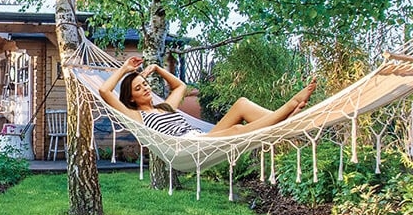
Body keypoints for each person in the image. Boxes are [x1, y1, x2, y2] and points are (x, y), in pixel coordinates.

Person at [98, 56, 317, 138]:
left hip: (202, 137)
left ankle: (285, 120)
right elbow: (105, 91)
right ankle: (289, 107)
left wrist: (156, 68)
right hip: (186, 146)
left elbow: (180, 86)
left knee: (242, 104)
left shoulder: (165, 107)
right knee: (236, 130)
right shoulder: (137, 117)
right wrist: (125, 69)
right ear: (131, 98)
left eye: (145, 84)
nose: (145, 88)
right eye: (138, 89)